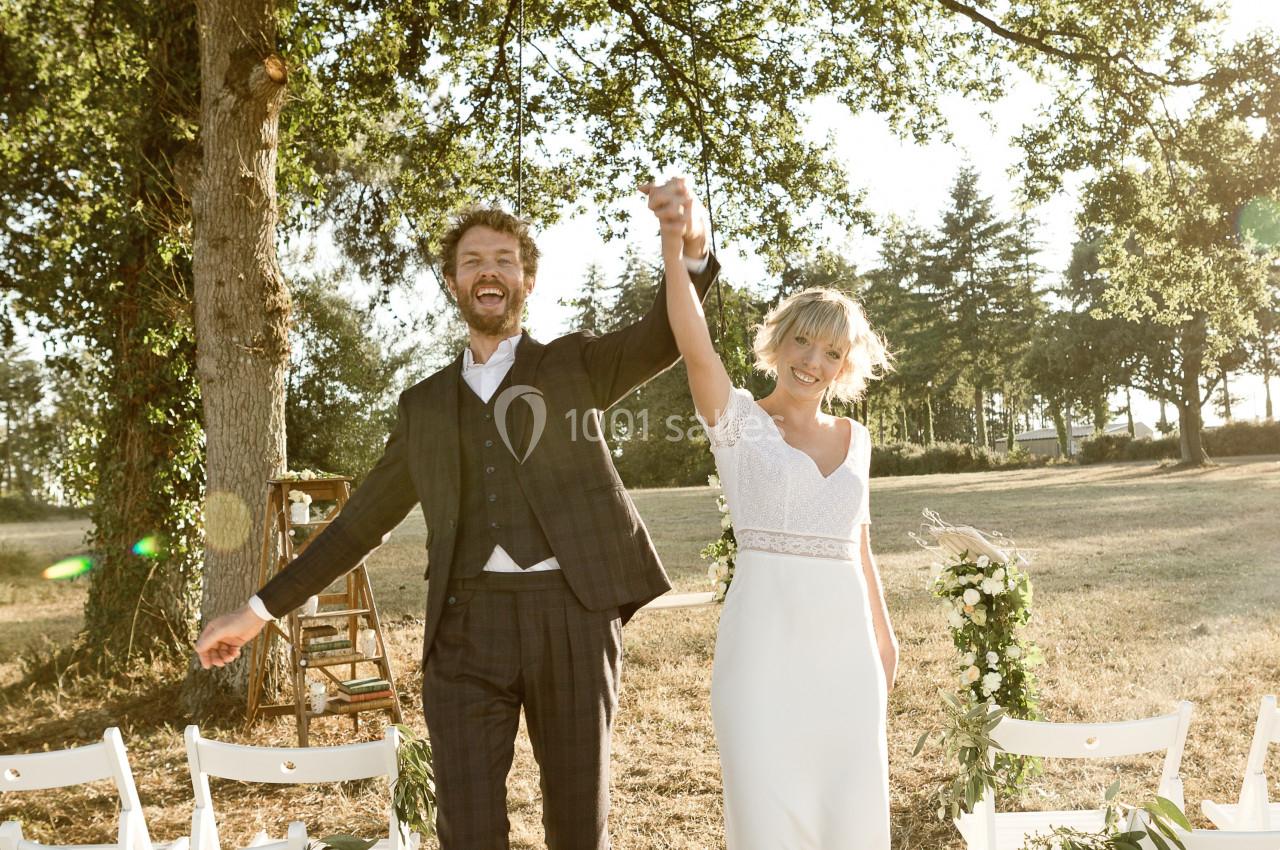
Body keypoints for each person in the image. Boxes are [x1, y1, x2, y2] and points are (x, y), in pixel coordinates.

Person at [194, 187, 720, 850]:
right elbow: (358, 525)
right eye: (473, 261)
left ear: (526, 280)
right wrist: (256, 612)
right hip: (467, 628)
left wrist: (690, 247)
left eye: (504, 259)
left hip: (572, 616)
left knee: (579, 829)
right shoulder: (424, 407)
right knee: (466, 832)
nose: (489, 270)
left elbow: (665, 334)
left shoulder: (574, 365)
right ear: (454, 283)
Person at [643, 178, 898, 849]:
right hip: (761, 656)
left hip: (847, 661)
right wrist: (676, 247)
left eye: (832, 353)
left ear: (846, 367)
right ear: (779, 342)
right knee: (767, 821)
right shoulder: (737, 425)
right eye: (804, 344)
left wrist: (885, 641)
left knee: (853, 820)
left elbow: (860, 548)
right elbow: (693, 340)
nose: (813, 362)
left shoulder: (857, 441)